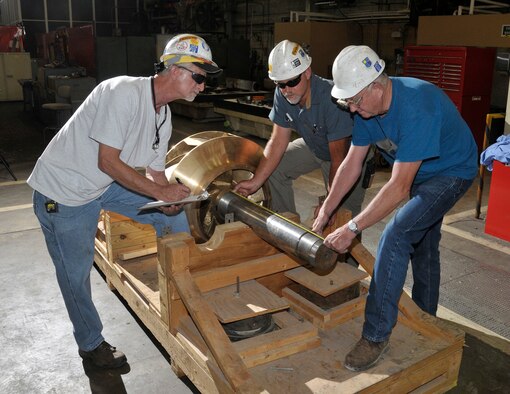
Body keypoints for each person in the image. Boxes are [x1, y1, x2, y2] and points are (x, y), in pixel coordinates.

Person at [27, 34, 221, 369]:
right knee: (75, 274)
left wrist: (168, 200)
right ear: (175, 70)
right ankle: (91, 345)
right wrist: (159, 193)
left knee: (173, 218)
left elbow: (155, 173)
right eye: (199, 77)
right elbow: (109, 162)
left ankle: (178, 294)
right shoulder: (123, 93)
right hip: (65, 192)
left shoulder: (163, 115)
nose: (202, 87)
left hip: (102, 185)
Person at [312, 45, 478, 372]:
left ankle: (375, 335)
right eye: (349, 103)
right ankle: (426, 317)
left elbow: (399, 187)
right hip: (419, 171)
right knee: (424, 243)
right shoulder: (366, 109)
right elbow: (351, 164)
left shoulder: (418, 104)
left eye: (356, 101)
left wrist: (353, 228)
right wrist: (326, 211)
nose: (354, 110)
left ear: (378, 86)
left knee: (398, 234)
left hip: (452, 171)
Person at [234, 40, 365, 221]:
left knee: (342, 219)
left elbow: (338, 159)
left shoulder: (331, 99)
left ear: (307, 72)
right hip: (316, 143)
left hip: (349, 155)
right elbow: (278, 141)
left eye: (293, 82)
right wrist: (256, 181)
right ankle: (287, 226)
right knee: (272, 169)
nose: (287, 90)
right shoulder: (283, 94)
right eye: (280, 84)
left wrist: (329, 203)